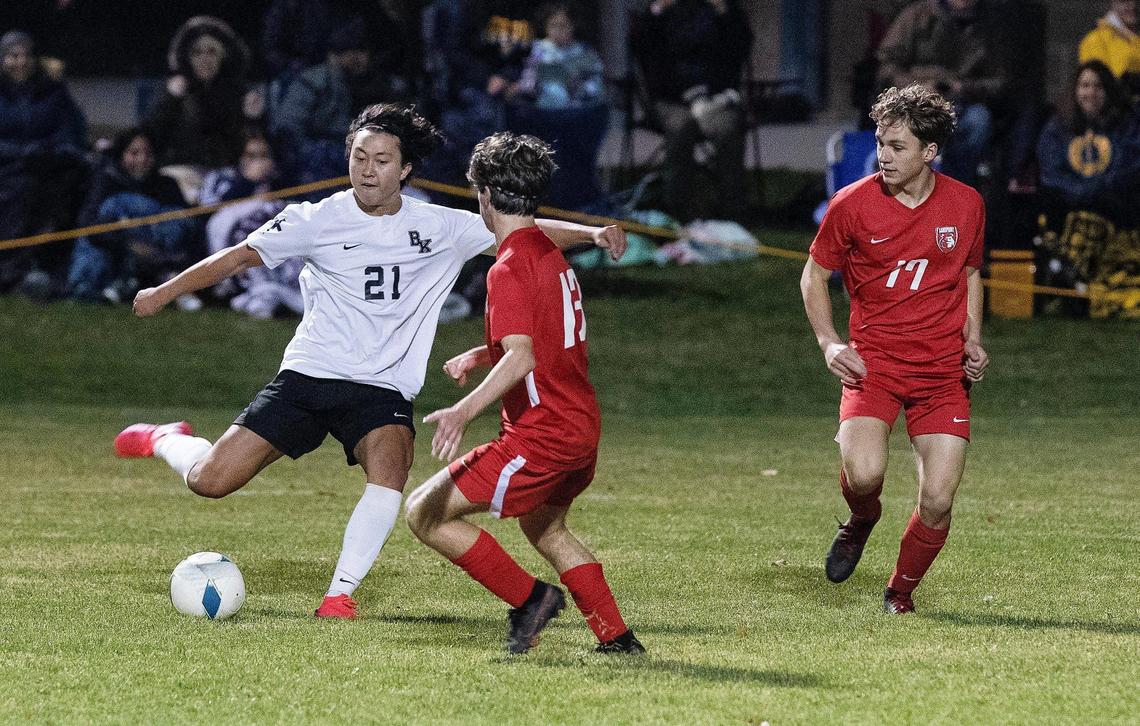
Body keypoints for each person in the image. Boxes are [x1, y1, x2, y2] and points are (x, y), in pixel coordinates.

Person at [112, 103, 627, 620]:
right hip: (309, 376)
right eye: (359, 156)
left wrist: (591, 235)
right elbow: (240, 256)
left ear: (404, 169)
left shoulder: (439, 226)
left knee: (389, 472)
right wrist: (164, 291)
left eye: (382, 160)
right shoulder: (314, 219)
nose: (367, 169)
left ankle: (339, 595)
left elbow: (521, 232)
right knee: (210, 481)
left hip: (383, 390)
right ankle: (166, 439)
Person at [404, 132, 643, 655]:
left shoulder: (507, 268)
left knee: (424, 512)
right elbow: (540, 341)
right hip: (581, 428)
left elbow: (524, 357)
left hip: (541, 436)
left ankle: (532, 601)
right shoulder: (546, 254)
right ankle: (617, 637)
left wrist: (462, 411)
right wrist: (481, 352)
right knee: (546, 527)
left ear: (485, 195)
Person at [799, 84, 989, 615]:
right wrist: (829, 341)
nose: (883, 155)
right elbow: (814, 276)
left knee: (938, 501)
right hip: (874, 368)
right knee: (863, 477)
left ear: (930, 152)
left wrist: (973, 337)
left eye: (898, 146)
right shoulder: (852, 204)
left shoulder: (966, 204)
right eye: (881, 142)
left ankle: (899, 593)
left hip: (941, 374)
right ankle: (861, 519)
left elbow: (970, 272)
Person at [629, 0, 753, 221]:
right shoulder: (657, 15)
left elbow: (740, 49)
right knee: (681, 127)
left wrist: (724, 12)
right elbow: (639, 48)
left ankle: (732, 212)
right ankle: (678, 212)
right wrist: (656, 11)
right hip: (670, 99)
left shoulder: (722, 14)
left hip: (715, 98)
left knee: (727, 129)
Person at [877, 0, 1009, 186]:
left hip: (962, 105)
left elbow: (999, 82)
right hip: (913, 105)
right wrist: (920, 87)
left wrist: (962, 87)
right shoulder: (917, 16)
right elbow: (887, 66)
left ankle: (954, 189)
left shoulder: (988, 26)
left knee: (979, 121)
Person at [65, 128, 197, 305]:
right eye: (134, 153)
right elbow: (90, 224)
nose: (142, 160)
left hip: (157, 253)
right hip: (117, 250)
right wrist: (129, 243)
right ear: (121, 155)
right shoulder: (107, 181)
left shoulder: (166, 185)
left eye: (147, 153)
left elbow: (185, 227)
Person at [0, 29, 88, 295]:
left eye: (25, 55)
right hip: (9, 169)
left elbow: (70, 130)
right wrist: (22, 152)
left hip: (47, 167)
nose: (20, 61)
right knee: (19, 192)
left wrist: (50, 151)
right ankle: (10, 269)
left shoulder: (53, 91)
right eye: (12, 55)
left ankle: (66, 272)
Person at [143, 16, 262, 201]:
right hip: (182, 171)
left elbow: (249, 145)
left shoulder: (238, 95)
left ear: (223, 56)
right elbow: (152, 135)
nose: (204, 59)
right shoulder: (174, 90)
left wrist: (253, 118)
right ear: (187, 58)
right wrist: (170, 100)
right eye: (197, 53)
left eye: (212, 52)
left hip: (225, 175)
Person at [1037, 61, 1140, 228]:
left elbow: (1129, 167)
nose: (1091, 92)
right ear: (1075, 90)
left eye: (1099, 86)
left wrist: (1098, 190)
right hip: (1069, 211)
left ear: (1109, 90)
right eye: (1085, 86)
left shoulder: (1126, 124)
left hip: (1115, 209)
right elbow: (1051, 175)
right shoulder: (1057, 127)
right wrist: (1081, 192)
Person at [1079, 0, 1140, 97]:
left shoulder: (1135, 38)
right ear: (1113, 2)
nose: (1132, 5)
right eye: (1124, 1)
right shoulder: (1096, 40)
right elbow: (1095, 91)